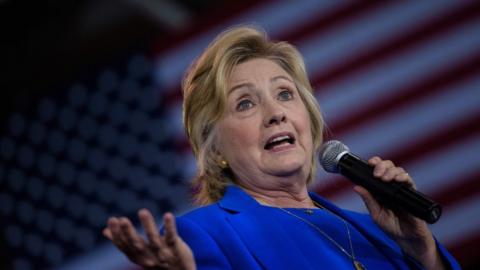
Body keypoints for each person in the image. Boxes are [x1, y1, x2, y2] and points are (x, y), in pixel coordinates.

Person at [103, 26, 460, 270]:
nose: (276, 114)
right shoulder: (204, 235)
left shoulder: (378, 229)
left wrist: (422, 249)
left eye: (285, 94)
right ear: (214, 151)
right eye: (245, 103)